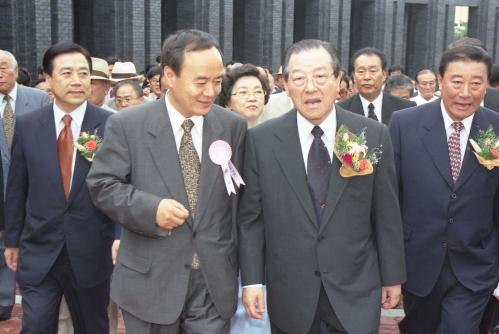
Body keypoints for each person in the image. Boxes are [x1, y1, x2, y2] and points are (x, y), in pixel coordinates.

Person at [238, 39, 405, 334]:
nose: (310, 87)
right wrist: (252, 281)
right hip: (290, 292)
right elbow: (251, 219)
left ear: (339, 81)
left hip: (356, 287)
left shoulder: (372, 134)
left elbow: (386, 213)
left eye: (320, 76)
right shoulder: (261, 141)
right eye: (299, 78)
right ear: (286, 85)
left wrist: (392, 276)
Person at [86, 29, 247, 334]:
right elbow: (102, 185)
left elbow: (240, 199)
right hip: (150, 282)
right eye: (200, 82)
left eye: (217, 81)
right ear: (169, 76)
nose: (211, 92)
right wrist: (151, 209)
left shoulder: (232, 126)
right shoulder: (128, 124)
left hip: (212, 285)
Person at [3, 41, 114, 334]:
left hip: (92, 250)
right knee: (36, 324)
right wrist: (12, 240)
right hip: (39, 248)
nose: (77, 81)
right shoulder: (28, 125)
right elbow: (17, 187)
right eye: (67, 73)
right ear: (48, 79)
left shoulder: (110, 125)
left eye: (83, 73)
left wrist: (118, 238)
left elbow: (120, 188)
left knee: (93, 326)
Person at [389, 45, 499, 333]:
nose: (466, 92)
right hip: (418, 264)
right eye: (457, 81)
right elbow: (391, 198)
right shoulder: (404, 125)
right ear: (440, 79)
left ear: (485, 86)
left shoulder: (496, 128)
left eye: (476, 83)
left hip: (475, 266)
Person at [0, 49, 50, 321]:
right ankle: (4, 301)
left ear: (16, 71)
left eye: (4, 67)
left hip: (31, 187)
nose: (0, 73)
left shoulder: (39, 99)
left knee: (25, 243)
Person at [337, 47, 415, 124]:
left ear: (384, 75)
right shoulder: (340, 110)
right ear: (354, 76)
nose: (367, 77)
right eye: (361, 71)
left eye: (373, 71)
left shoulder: (405, 108)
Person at [219, 63, 271, 128]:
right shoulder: (219, 135)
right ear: (228, 102)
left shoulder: (274, 134)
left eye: (258, 91)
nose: (252, 98)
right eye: (243, 92)